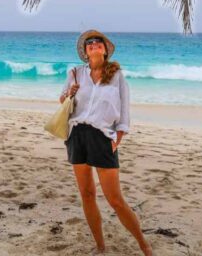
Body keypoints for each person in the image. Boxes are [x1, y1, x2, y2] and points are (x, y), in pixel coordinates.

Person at [60, 30, 152, 256]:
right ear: (85, 51)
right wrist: (69, 94)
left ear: (105, 49)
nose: (93, 44)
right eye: (89, 43)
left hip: (102, 137)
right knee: (87, 194)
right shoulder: (75, 73)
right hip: (77, 134)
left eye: (97, 42)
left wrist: (118, 137)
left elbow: (124, 111)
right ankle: (100, 246)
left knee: (115, 199)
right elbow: (63, 100)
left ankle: (144, 246)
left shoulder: (117, 76)